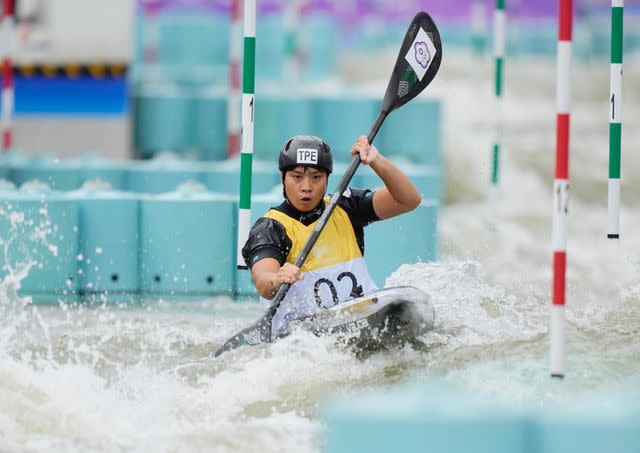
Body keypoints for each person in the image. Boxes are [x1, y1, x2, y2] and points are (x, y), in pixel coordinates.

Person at [241, 134, 422, 334]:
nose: (306, 187)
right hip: (305, 339)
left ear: (327, 178)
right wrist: (276, 279)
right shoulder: (270, 228)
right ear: (283, 178)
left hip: (363, 317)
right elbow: (263, 280)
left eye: (316, 177)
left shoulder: (346, 205)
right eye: (297, 177)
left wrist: (376, 161)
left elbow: (409, 200)